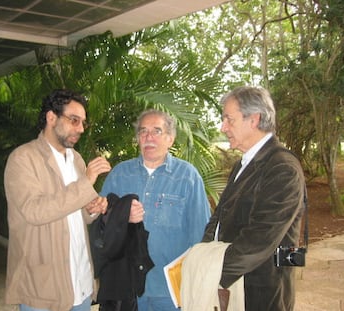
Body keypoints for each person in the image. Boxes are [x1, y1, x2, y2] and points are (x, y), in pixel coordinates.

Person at [4, 89, 112, 311]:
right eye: (74, 120)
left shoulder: (76, 160)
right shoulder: (23, 159)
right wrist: (87, 181)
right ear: (51, 117)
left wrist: (92, 208)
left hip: (80, 280)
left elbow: (79, 211)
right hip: (43, 285)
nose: (81, 128)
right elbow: (35, 212)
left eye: (83, 122)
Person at [202, 86, 306, 310]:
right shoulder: (243, 163)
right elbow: (219, 217)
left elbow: (259, 240)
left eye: (229, 119)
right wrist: (204, 253)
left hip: (260, 293)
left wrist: (211, 272)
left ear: (254, 119)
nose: (223, 127)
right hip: (233, 287)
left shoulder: (282, 168)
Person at [100, 109, 211, 311]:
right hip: (126, 289)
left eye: (156, 131)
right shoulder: (120, 174)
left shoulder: (187, 177)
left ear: (170, 138)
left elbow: (200, 235)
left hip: (169, 291)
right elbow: (102, 224)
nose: (148, 137)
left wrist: (198, 284)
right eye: (143, 131)